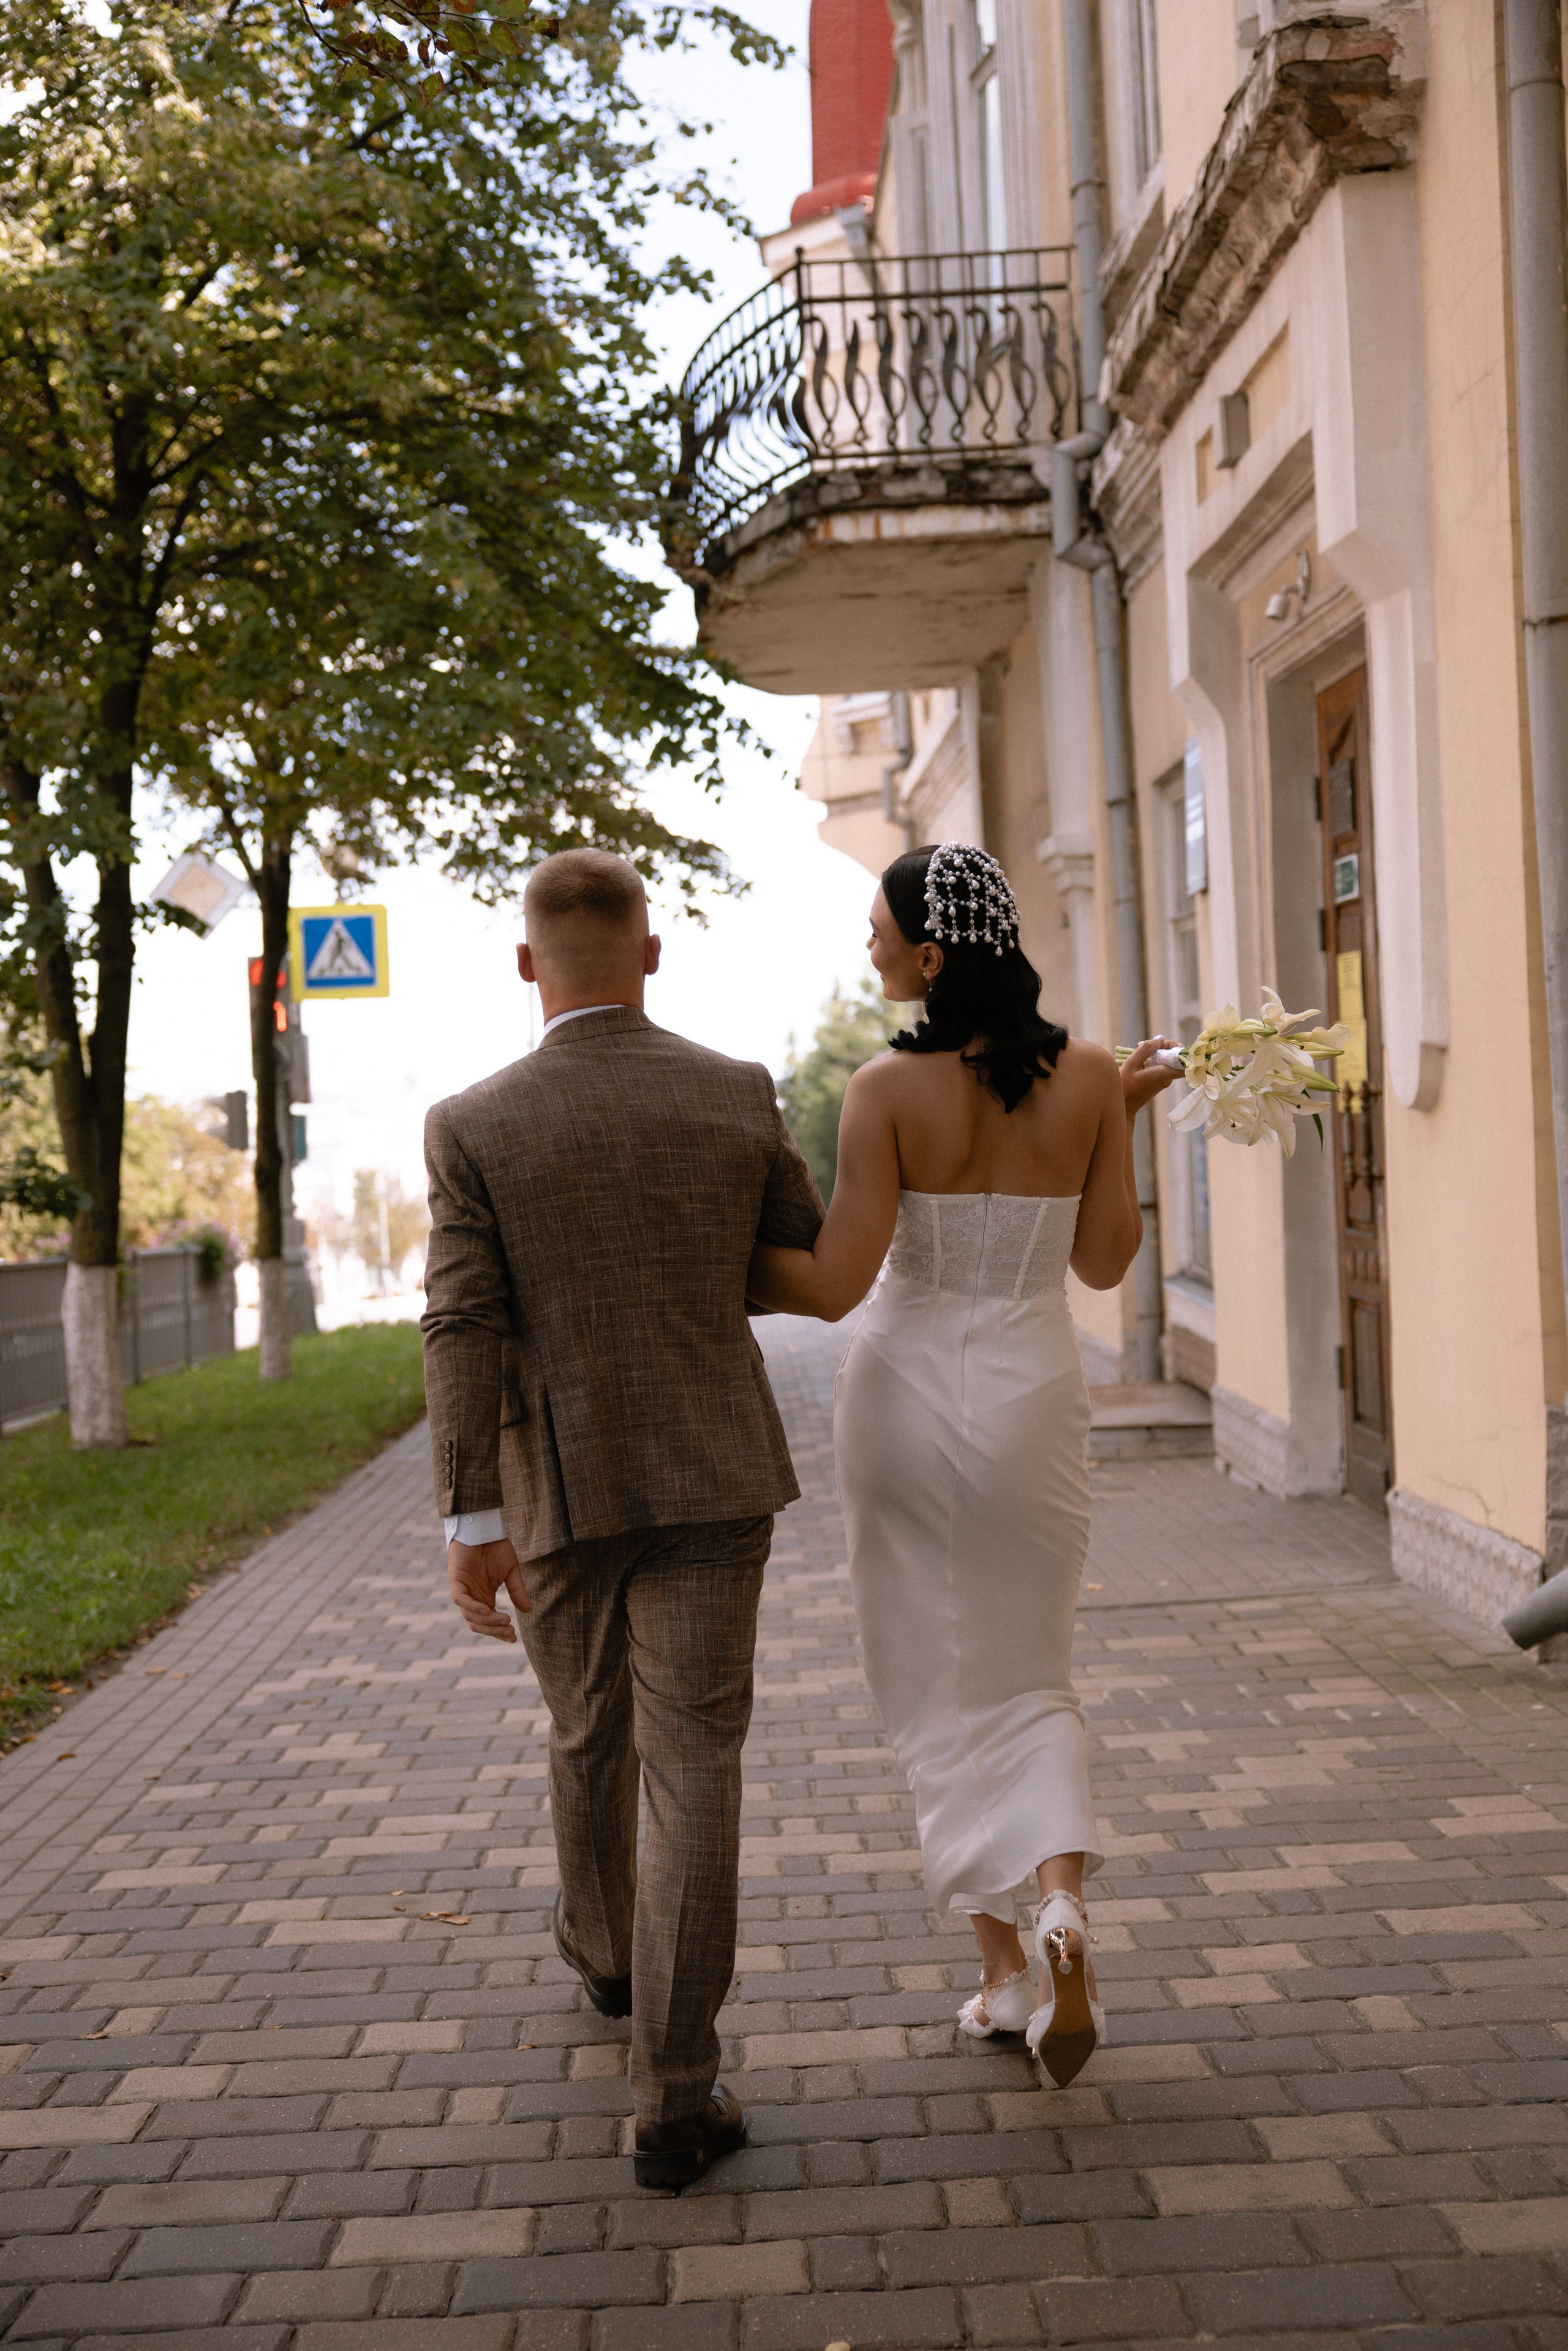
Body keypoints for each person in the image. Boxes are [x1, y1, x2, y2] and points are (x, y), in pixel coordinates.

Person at [420, 848, 823, 2187]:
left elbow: (462, 1319)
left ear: (528, 963)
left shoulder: (471, 1122)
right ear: (649, 952)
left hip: (560, 1483)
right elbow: (794, 1252)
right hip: (712, 1468)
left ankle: (603, 1954)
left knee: (586, 1729)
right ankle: (676, 2093)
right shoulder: (731, 1089)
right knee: (694, 1766)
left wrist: (469, 1510)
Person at [745, 842, 1175, 2088]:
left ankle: (1000, 1973)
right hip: (1032, 1395)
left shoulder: (883, 1089)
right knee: (1032, 1674)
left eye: (874, 928)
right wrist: (1110, 1124)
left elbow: (830, 1285)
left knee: (930, 1683)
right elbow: (1100, 1264)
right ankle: (1056, 1912)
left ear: (929, 953)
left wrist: (711, 1255)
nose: (865, 947)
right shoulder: (1093, 1075)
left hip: (905, 1399)